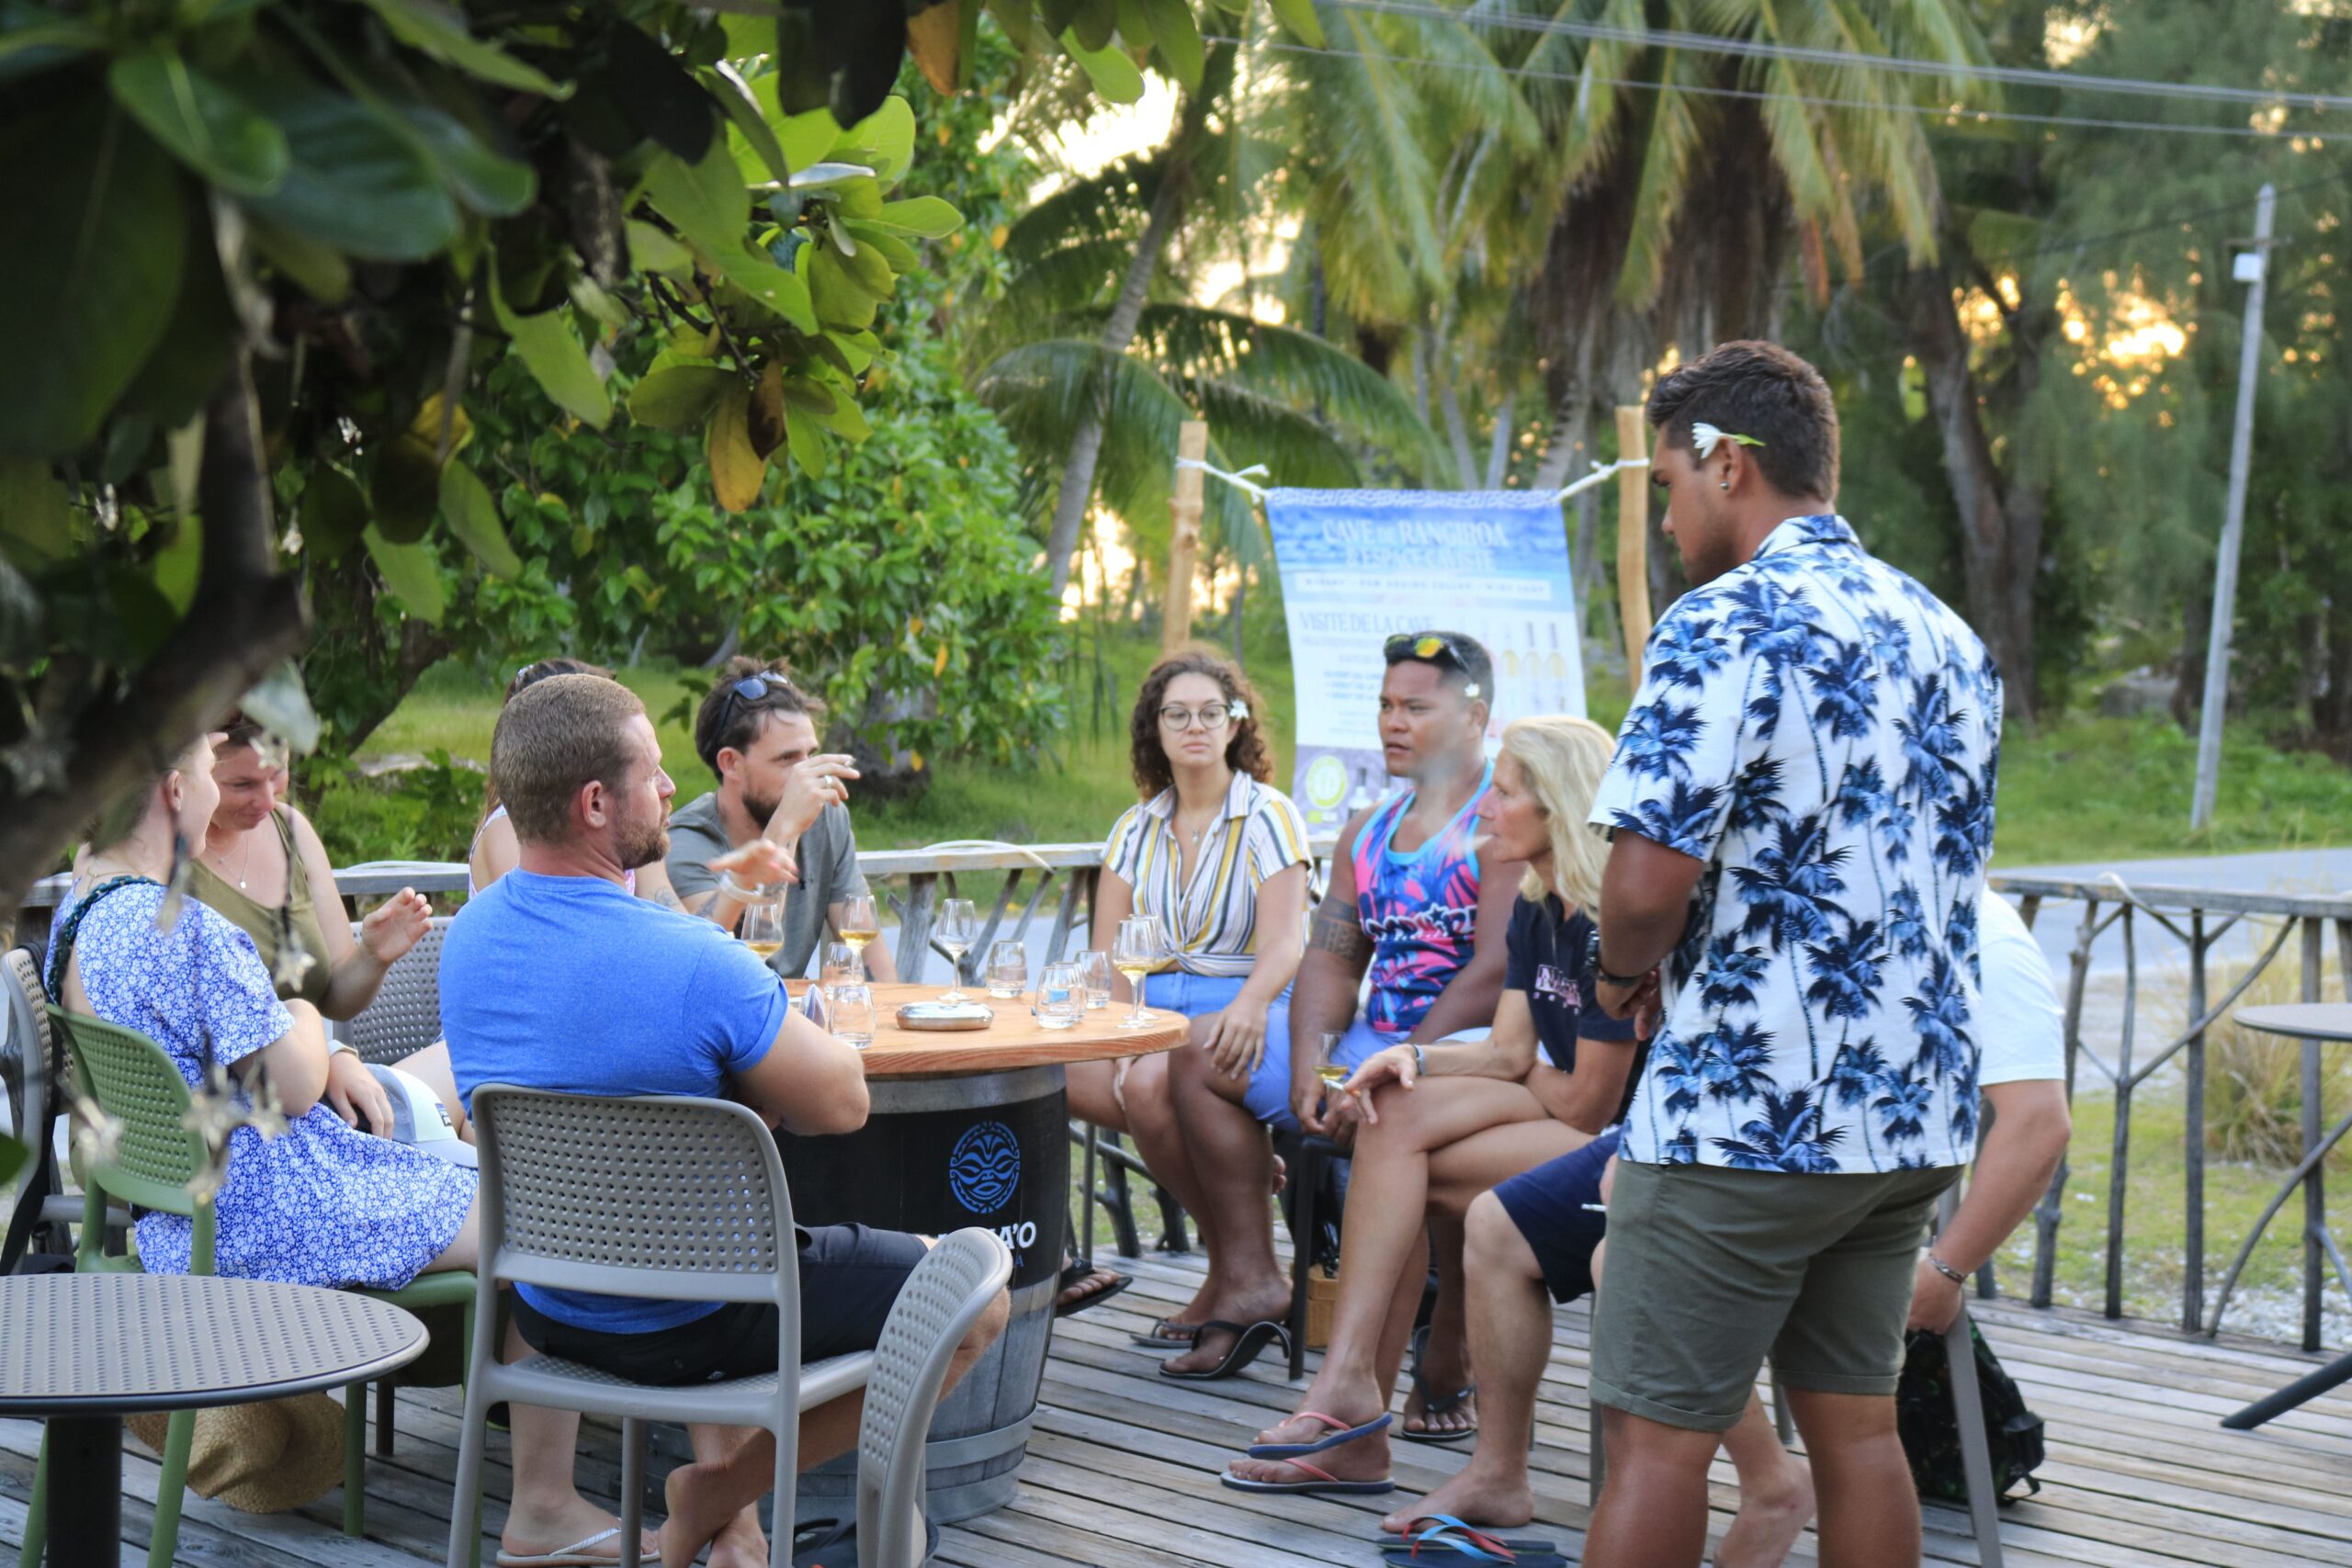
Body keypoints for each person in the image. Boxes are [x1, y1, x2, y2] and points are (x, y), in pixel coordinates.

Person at [1582, 341, 2002, 1568]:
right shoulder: (1948, 635)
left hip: (1743, 1116)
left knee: (1655, 1443)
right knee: (1858, 1436)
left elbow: (1647, 878)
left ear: (1727, 462)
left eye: (1670, 484)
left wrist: (1617, 984)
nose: (1666, 518)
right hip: (1907, 1114)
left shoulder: (1724, 623)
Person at [440, 672, 1005, 1568]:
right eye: (653, 772)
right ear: (595, 802)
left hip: (551, 1310)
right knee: (975, 1290)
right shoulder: (697, 962)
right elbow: (844, 1102)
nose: (671, 788)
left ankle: (723, 1509)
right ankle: (720, 1490)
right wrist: (789, 1041)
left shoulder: (466, 940)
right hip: (698, 1319)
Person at [1374, 889, 2065, 1563]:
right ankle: (1501, 1471)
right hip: (1712, 1137)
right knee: (1500, 1224)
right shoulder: (1794, 893)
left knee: (1650, 1377)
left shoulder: (1981, 929)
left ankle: (1769, 1482)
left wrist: (1948, 1266)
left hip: (1792, 1165)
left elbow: (2038, 1122)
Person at [1220, 716, 1643, 1492]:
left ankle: (1349, 1412)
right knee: (1392, 1111)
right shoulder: (1537, 902)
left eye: (1505, 794)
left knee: (1398, 1158)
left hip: (1628, 1151)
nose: (1483, 809)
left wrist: (1511, 1078)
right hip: (1560, 1114)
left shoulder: (1611, 919)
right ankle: (1349, 1392)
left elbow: (1586, 1103)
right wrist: (1409, 1055)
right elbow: (1510, 1051)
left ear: (1559, 806)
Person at [1153, 631, 1521, 1384]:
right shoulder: (1369, 829)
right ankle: (1254, 1273)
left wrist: (1394, 1063)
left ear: (1475, 716)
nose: (1392, 722)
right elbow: (1331, 956)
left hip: (1466, 1048)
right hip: (1370, 1042)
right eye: (1386, 704)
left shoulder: (1503, 823)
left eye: (1416, 706)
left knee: (1419, 1118)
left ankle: (1447, 1331)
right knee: (1198, 1054)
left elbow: (1494, 970)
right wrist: (1314, 1057)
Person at [46, 731, 479, 1288]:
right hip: (264, 1217)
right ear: (176, 790)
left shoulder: (79, 909)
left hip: (174, 1225)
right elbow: (295, 1087)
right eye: (210, 771)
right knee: (519, 1222)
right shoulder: (187, 930)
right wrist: (299, 1008)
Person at [1066, 651, 1311, 1327]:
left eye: (1212, 712)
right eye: (1178, 713)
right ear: (1157, 726)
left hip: (1247, 1003)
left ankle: (1239, 1269)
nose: (1195, 725)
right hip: (1150, 1012)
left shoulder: (1269, 815)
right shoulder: (1133, 828)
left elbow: (1287, 941)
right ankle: (1240, 1261)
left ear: (1236, 725)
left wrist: (1253, 1003)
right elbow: (1107, 956)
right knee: (1037, 1072)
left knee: (1150, 1085)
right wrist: (1117, 1042)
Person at [190, 716, 469, 1138]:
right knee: (443, 1125)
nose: (267, 800)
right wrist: (331, 1054)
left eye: (278, 773)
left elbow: (335, 995)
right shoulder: (158, 862)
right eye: (242, 785)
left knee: (472, 1070)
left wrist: (373, 956)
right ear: (191, 773)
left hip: (309, 1085)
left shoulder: (292, 830)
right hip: (244, 1114)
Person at [664, 658, 899, 981]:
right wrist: (784, 828)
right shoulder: (685, 842)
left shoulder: (826, 819)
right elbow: (725, 980)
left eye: (811, 755)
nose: (807, 775)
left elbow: (876, 967)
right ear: (731, 763)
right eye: (788, 759)